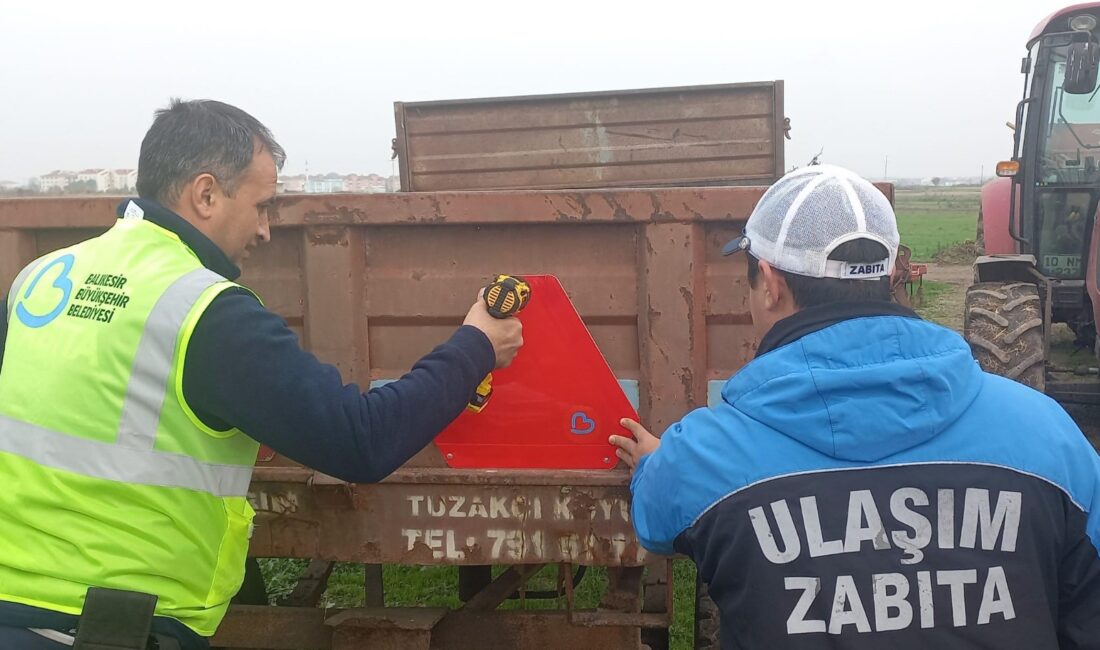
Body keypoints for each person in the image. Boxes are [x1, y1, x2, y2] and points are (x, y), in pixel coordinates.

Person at [0, 99, 522, 649]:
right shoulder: (202, 311)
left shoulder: (42, 278)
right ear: (205, 195)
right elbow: (362, 439)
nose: (267, 229)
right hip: (112, 626)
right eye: (262, 205)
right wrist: (476, 347)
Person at [610, 165, 1100, 649]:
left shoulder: (701, 456)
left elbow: (655, 523)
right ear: (889, 273)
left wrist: (654, 462)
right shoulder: (1047, 435)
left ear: (770, 282)